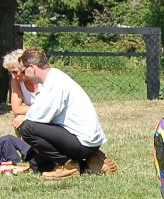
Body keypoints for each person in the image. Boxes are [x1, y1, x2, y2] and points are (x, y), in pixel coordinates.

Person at [13, 47, 118, 180]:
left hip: (83, 143)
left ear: (32, 67)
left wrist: (24, 118)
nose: (23, 76)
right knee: (40, 162)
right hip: (88, 141)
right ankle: (96, 162)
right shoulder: (55, 77)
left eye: (23, 71)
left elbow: (41, 117)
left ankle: (67, 166)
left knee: (27, 128)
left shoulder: (54, 83)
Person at [2, 48, 38, 118]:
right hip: (35, 115)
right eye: (11, 72)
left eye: (15, 72)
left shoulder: (41, 79)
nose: (13, 75)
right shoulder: (16, 80)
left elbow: (50, 107)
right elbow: (16, 110)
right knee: (18, 119)